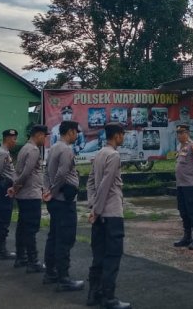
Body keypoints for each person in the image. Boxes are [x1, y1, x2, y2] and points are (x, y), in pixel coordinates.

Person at [86, 123, 131, 309]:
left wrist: (93, 206)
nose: (123, 138)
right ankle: (108, 298)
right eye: (123, 135)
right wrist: (96, 209)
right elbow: (105, 185)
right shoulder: (113, 155)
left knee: (99, 255)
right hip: (111, 213)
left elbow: (90, 182)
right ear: (118, 135)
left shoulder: (99, 154)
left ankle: (93, 294)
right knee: (112, 256)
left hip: (100, 214)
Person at [43, 120, 84, 292]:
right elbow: (62, 173)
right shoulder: (66, 150)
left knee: (54, 236)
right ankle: (63, 278)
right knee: (65, 239)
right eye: (76, 132)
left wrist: (47, 190)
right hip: (63, 200)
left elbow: (46, 171)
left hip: (55, 200)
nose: (77, 135)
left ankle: (51, 273)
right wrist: (52, 190)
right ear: (70, 132)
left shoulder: (53, 148)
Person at [7, 125, 48, 273]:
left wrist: (16, 187)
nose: (45, 139)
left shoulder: (25, 148)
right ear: (38, 135)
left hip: (24, 194)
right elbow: (26, 173)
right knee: (31, 228)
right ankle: (32, 260)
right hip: (30, 194)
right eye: (44, 136)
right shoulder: (33, 150)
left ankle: (21, 257)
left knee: (23, 226)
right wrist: (16, 187)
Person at [0, 129, 18, 259]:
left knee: (2, 219)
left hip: (5, 189)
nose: (15, 141)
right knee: (2, 220)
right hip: (2, 190)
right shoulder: (2, 153)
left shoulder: (5, 152)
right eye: (13, 139)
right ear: (7, 139)